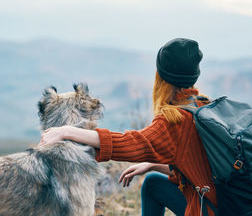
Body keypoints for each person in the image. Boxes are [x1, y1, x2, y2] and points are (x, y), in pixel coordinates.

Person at [39, 38, 216, 216]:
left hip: (207, 210)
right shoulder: (204, 106)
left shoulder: (175, 121)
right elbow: (196, 169)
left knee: (152, 184)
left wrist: (66, 131)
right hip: (226, 205)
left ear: (161, 77)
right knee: (152, 182)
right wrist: (152, 165)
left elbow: (128, 143)